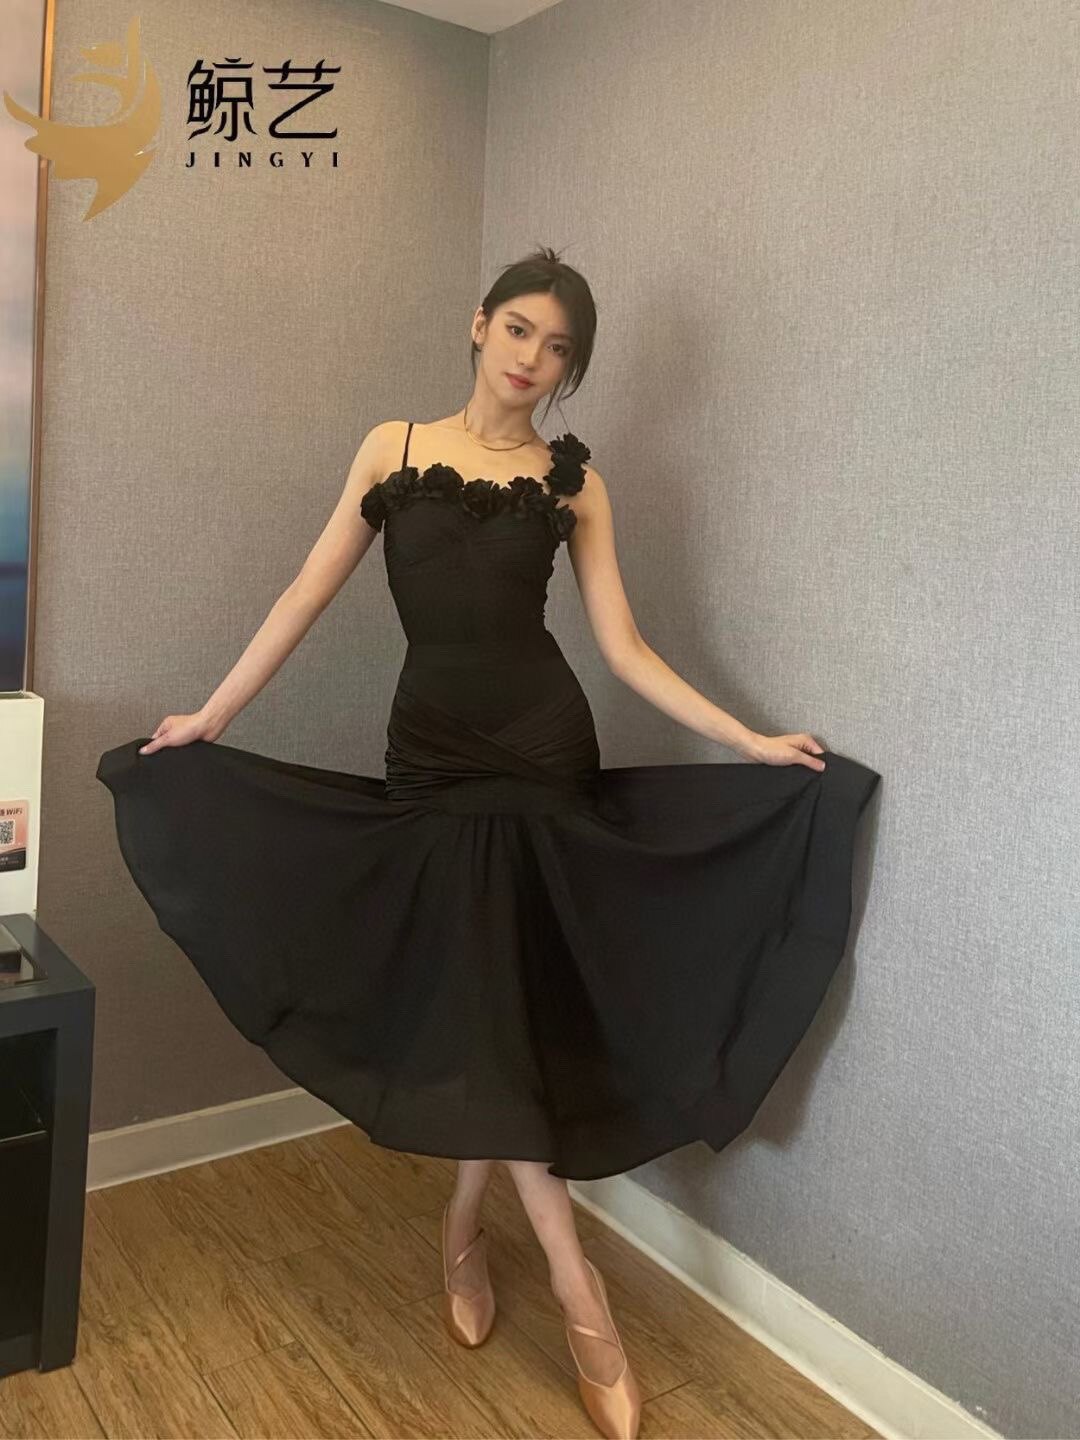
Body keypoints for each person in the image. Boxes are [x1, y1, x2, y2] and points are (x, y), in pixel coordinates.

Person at [97, 245, 880, 1440]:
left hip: (543, 749)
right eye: (519, 330)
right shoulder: (392, 448)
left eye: (558, 348)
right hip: (433, 756)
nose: (533, 359)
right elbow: (304, 594)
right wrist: (211, 717)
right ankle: (532, 1262)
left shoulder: (576, 482)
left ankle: (526, 1262)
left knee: (496, 1002)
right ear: (478, 325)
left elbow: (624, 647)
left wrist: (748, 738)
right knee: (485, 1000)